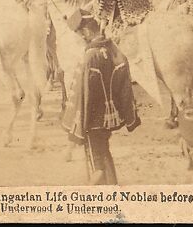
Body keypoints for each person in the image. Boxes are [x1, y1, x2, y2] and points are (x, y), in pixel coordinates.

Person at [60, 14, 141, 185]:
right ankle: (113, 187)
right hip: (110, 116)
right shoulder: (114, 50)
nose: (82, 39)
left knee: (97, 164)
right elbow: (124, 87)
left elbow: (84, 95)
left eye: (81, 35)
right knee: (105, 152)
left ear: (87, 31)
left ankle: (91, 194)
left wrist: (80, 124)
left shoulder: (90, 57)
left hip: (93, 119)